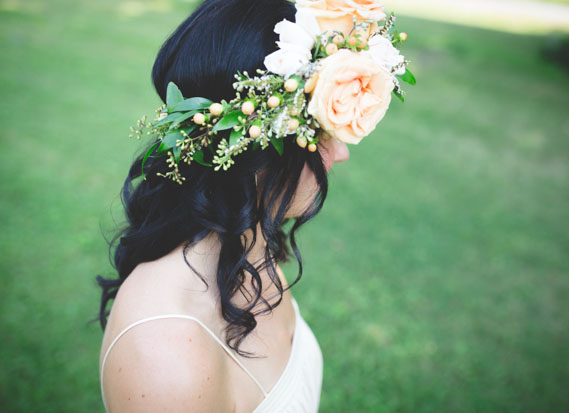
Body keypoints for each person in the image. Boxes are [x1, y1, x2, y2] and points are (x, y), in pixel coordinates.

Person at [96, 0, 411, 411]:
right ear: (260, 148)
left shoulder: (249, 246)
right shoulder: (166, 352)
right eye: (322, 131)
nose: (342, 154)